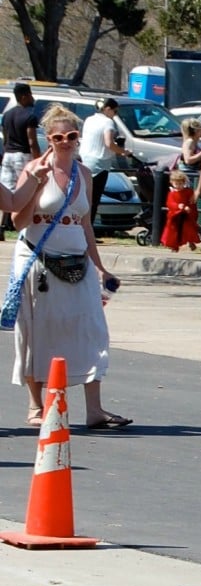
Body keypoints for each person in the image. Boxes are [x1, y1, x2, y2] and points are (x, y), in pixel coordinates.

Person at [12, 104, 131, 429]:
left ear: (79, 137)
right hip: (39, 258)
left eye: (71, 135)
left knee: (92, 328)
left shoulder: (84, 174)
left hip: (76, 259)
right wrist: (36, 184)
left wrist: (100, 267)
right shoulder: (34, 168)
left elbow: (85, 224)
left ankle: (95, 409)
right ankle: (36, 405)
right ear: (48, 138)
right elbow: (16, 220)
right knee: (38, 330)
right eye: (58, 136)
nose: (66, 141)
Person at [79, 98, 133, 225]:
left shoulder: (89, 119)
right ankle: (88, 229)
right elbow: (109, 143)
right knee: (94, 199)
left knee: (85, 197)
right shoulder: (108, 122)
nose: (115, 115)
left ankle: (82, 227)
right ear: (107, 109)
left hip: (85, 161)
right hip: (100, 164)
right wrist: (123, 151)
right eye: (115, 111)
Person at [1, 82, 41, 235]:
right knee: (26, 190)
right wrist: (37, 161)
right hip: (23, 155)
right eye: (30, 95)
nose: (32, 98)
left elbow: (5, 139)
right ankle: (23, 225)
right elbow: (32, 142)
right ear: (24, 97)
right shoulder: (30, 116)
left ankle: (1, 226)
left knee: (5, 191)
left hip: (8, 155)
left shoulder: (7, 115)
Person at [160, 170, 201, 252]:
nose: (178, 186)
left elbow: (191, 201)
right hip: (175, 216)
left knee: (189, 229)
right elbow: (170, 203)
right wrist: (178, 206)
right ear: (172, 183)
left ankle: (191, 241)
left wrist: (189, 208)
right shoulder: (172, 193)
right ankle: (174, 246)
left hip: (186, 215)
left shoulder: (188, 192)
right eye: (176, 184)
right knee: (173, 231)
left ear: (184, 182)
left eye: (180, 184)